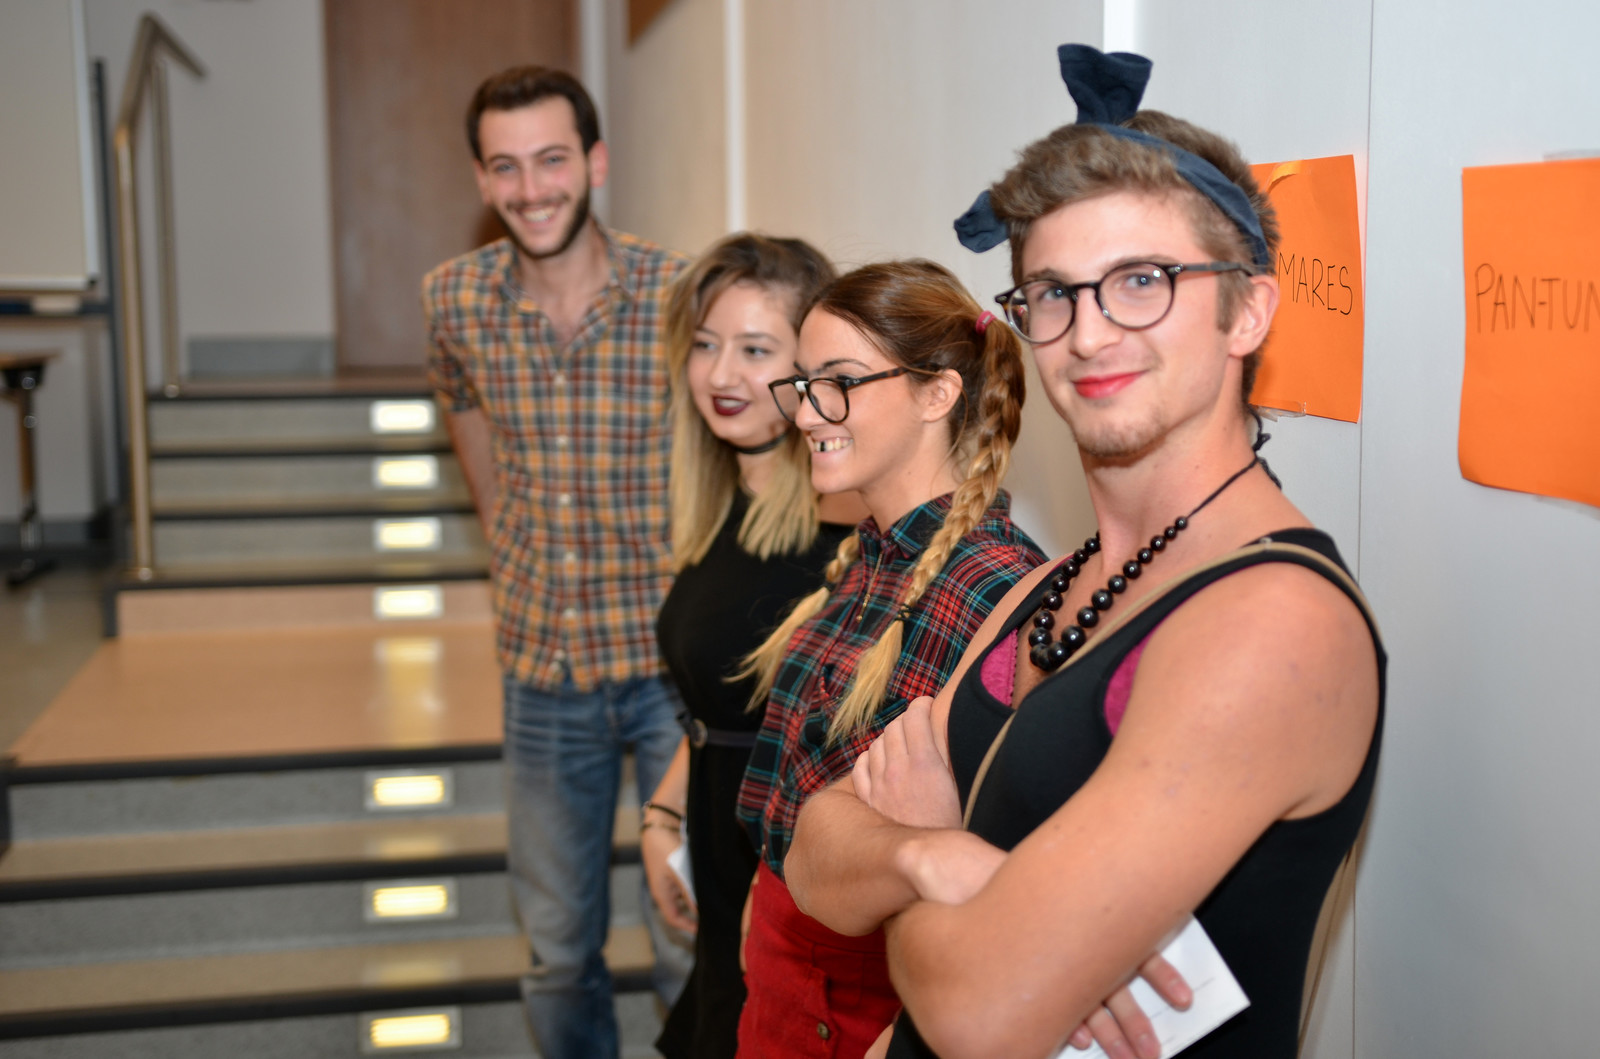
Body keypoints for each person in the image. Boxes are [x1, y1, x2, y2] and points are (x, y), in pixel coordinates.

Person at [784, 45, 1386, 1059]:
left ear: (1247, 309)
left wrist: (922, 848)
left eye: (1142, 281)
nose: (1090, 333)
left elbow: (978, 1011)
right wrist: (936, 862)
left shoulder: (1273, 621)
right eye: (1053, 293)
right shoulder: (1047, 588)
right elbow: (813, 858)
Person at [422, 65, 691, 1059]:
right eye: (506, 167)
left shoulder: (676, 292)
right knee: (557, 951)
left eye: (551, 160)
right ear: (481, 179)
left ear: (595, 162)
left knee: (687, 933)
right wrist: (504, 535)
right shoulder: (453, 299)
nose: (531, 189)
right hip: (544, 664)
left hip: (670, 668)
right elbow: (462, 406)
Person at [731, 260, 1048, 1058]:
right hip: (787, 971)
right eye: (803, 384)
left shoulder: (994, 586)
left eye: (839, 382)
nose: (808, 412)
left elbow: (994, 863)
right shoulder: (870, 555)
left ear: (936, 394)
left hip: (869, 996)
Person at [639, 233, 865, 1059]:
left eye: (755, 349)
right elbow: (722, 701)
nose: (721, 374)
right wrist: (665, 812)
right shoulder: (721, 502)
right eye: (705, 345)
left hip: (781, 856)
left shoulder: (841, 524)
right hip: (716, 830)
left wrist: (774, 887)